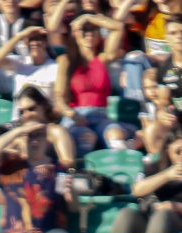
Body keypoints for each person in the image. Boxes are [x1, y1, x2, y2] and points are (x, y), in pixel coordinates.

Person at [0, 118, 76, 233]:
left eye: (39, 135)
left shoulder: (59, 169)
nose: (34, 140)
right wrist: (20, 130)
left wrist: (72, 192)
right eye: (30, 136)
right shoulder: (10, 164)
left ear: (46, 139)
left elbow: (73, 207)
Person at [55, 7, 130, 153]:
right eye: (84, 30)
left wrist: (89, 18)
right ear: (76, 33)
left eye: (93, 30)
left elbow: (118, 27)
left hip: (100, 115)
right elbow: (59, 97)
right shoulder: (66, 60)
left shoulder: (103, 59)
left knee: (116, 135)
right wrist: (72, 115)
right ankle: (78, 172)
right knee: (86, 137)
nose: (88, 34)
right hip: (76, 115)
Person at [110, 127, 182, 233]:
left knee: (162, 216)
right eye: (179, 151)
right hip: (149, 214)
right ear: (168, 149)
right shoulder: (154, 168)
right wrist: (166, 175)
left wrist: (175, 206)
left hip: (179, 220)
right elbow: (136, 191)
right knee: (127, 214)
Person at [0, 24, 56, 105]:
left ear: (46, 42)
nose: (35, 43)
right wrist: (19, 36)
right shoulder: (20, 62)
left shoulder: (55, 67)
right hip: (19, 117)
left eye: (39, 39)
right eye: (31, 40)